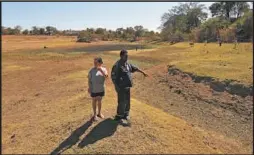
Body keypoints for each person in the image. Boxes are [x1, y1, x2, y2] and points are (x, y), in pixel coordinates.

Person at [111, 50, 148, 121]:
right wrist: (116, 86)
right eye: (126, 56)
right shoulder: (117, 65)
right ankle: (119, 116)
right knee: (121, 101)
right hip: (121, 87)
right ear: (121, 56)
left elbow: (135, 68)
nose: (127, 57)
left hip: (127, 86)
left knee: (127, 100)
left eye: (127, 56)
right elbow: (113, 77)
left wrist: (143, 72)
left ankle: (126, 114)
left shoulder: (127, 64)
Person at [88, 57, 108, 121]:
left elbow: (106, 77)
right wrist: (89, 87)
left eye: (96, 62)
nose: (94, 64)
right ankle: (94, 115)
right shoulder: (91, 70)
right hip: (93, 89)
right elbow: (89, 80)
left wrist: (101, 71)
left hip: (101, 89)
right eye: (94, 62)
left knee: (99, 100)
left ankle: (99, 113)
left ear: (100, 63)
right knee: (94, 101)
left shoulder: (104, 69)